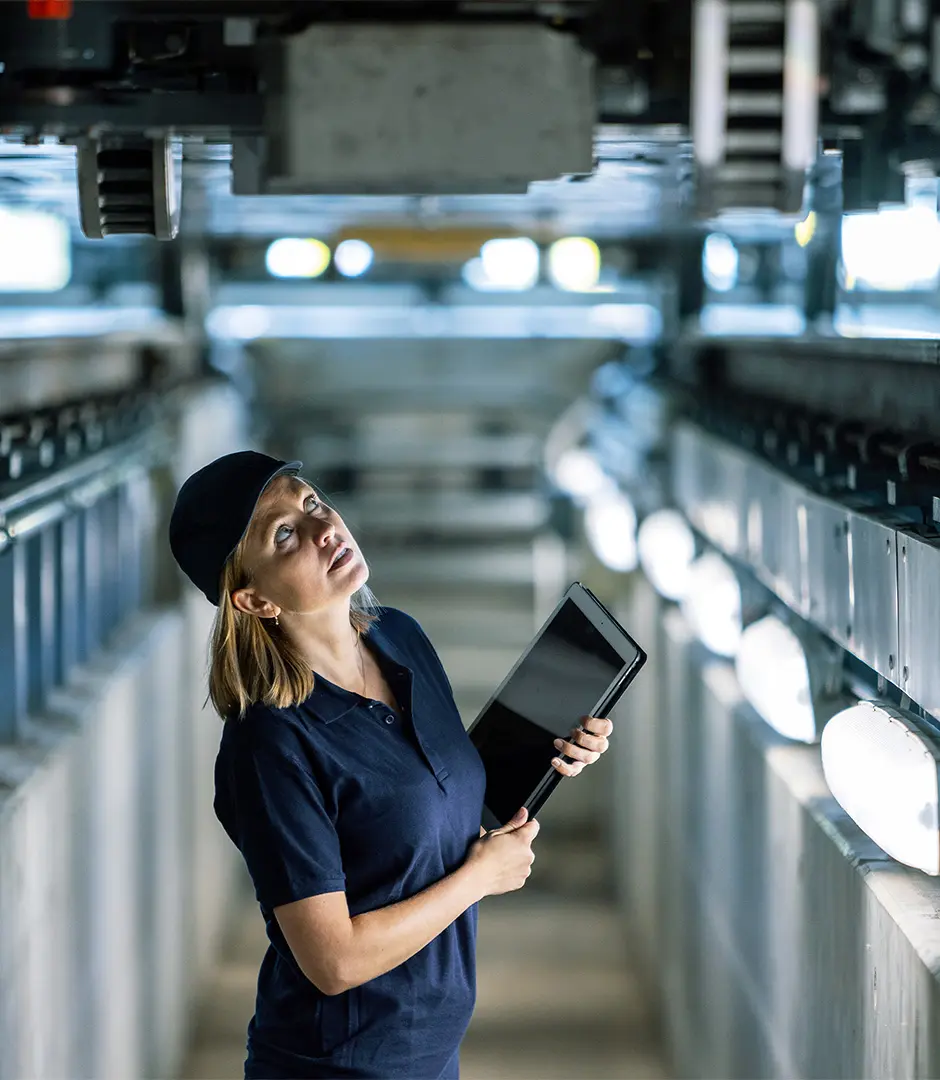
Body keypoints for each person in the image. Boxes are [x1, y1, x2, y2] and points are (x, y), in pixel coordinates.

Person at [168, 450, 614, 1080]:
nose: (326, 529)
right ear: (252, 600)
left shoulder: (397, 637)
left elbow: (429, 798)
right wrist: (479, 878)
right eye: (286, 534)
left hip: (429, 1055)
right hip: (340, 1066)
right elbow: (334, 962)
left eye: (312, 501)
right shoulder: (270, 743)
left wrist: (551, 752)